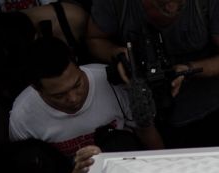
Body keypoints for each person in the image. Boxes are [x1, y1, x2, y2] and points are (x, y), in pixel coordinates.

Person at [84, 0, 219, 148]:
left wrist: (187, 70)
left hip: (203, 112)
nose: (172, 7)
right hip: (139, 111)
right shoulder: (117, 4)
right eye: (163, 3)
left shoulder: (212, 4)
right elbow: (95, 39)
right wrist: (119, 55)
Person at [8, 37, 162, 154]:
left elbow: (146, 131)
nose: (73, 98)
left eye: (77, 85)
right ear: (36, 88)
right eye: (59, 95)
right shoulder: (22, 118)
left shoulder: (111, 81)